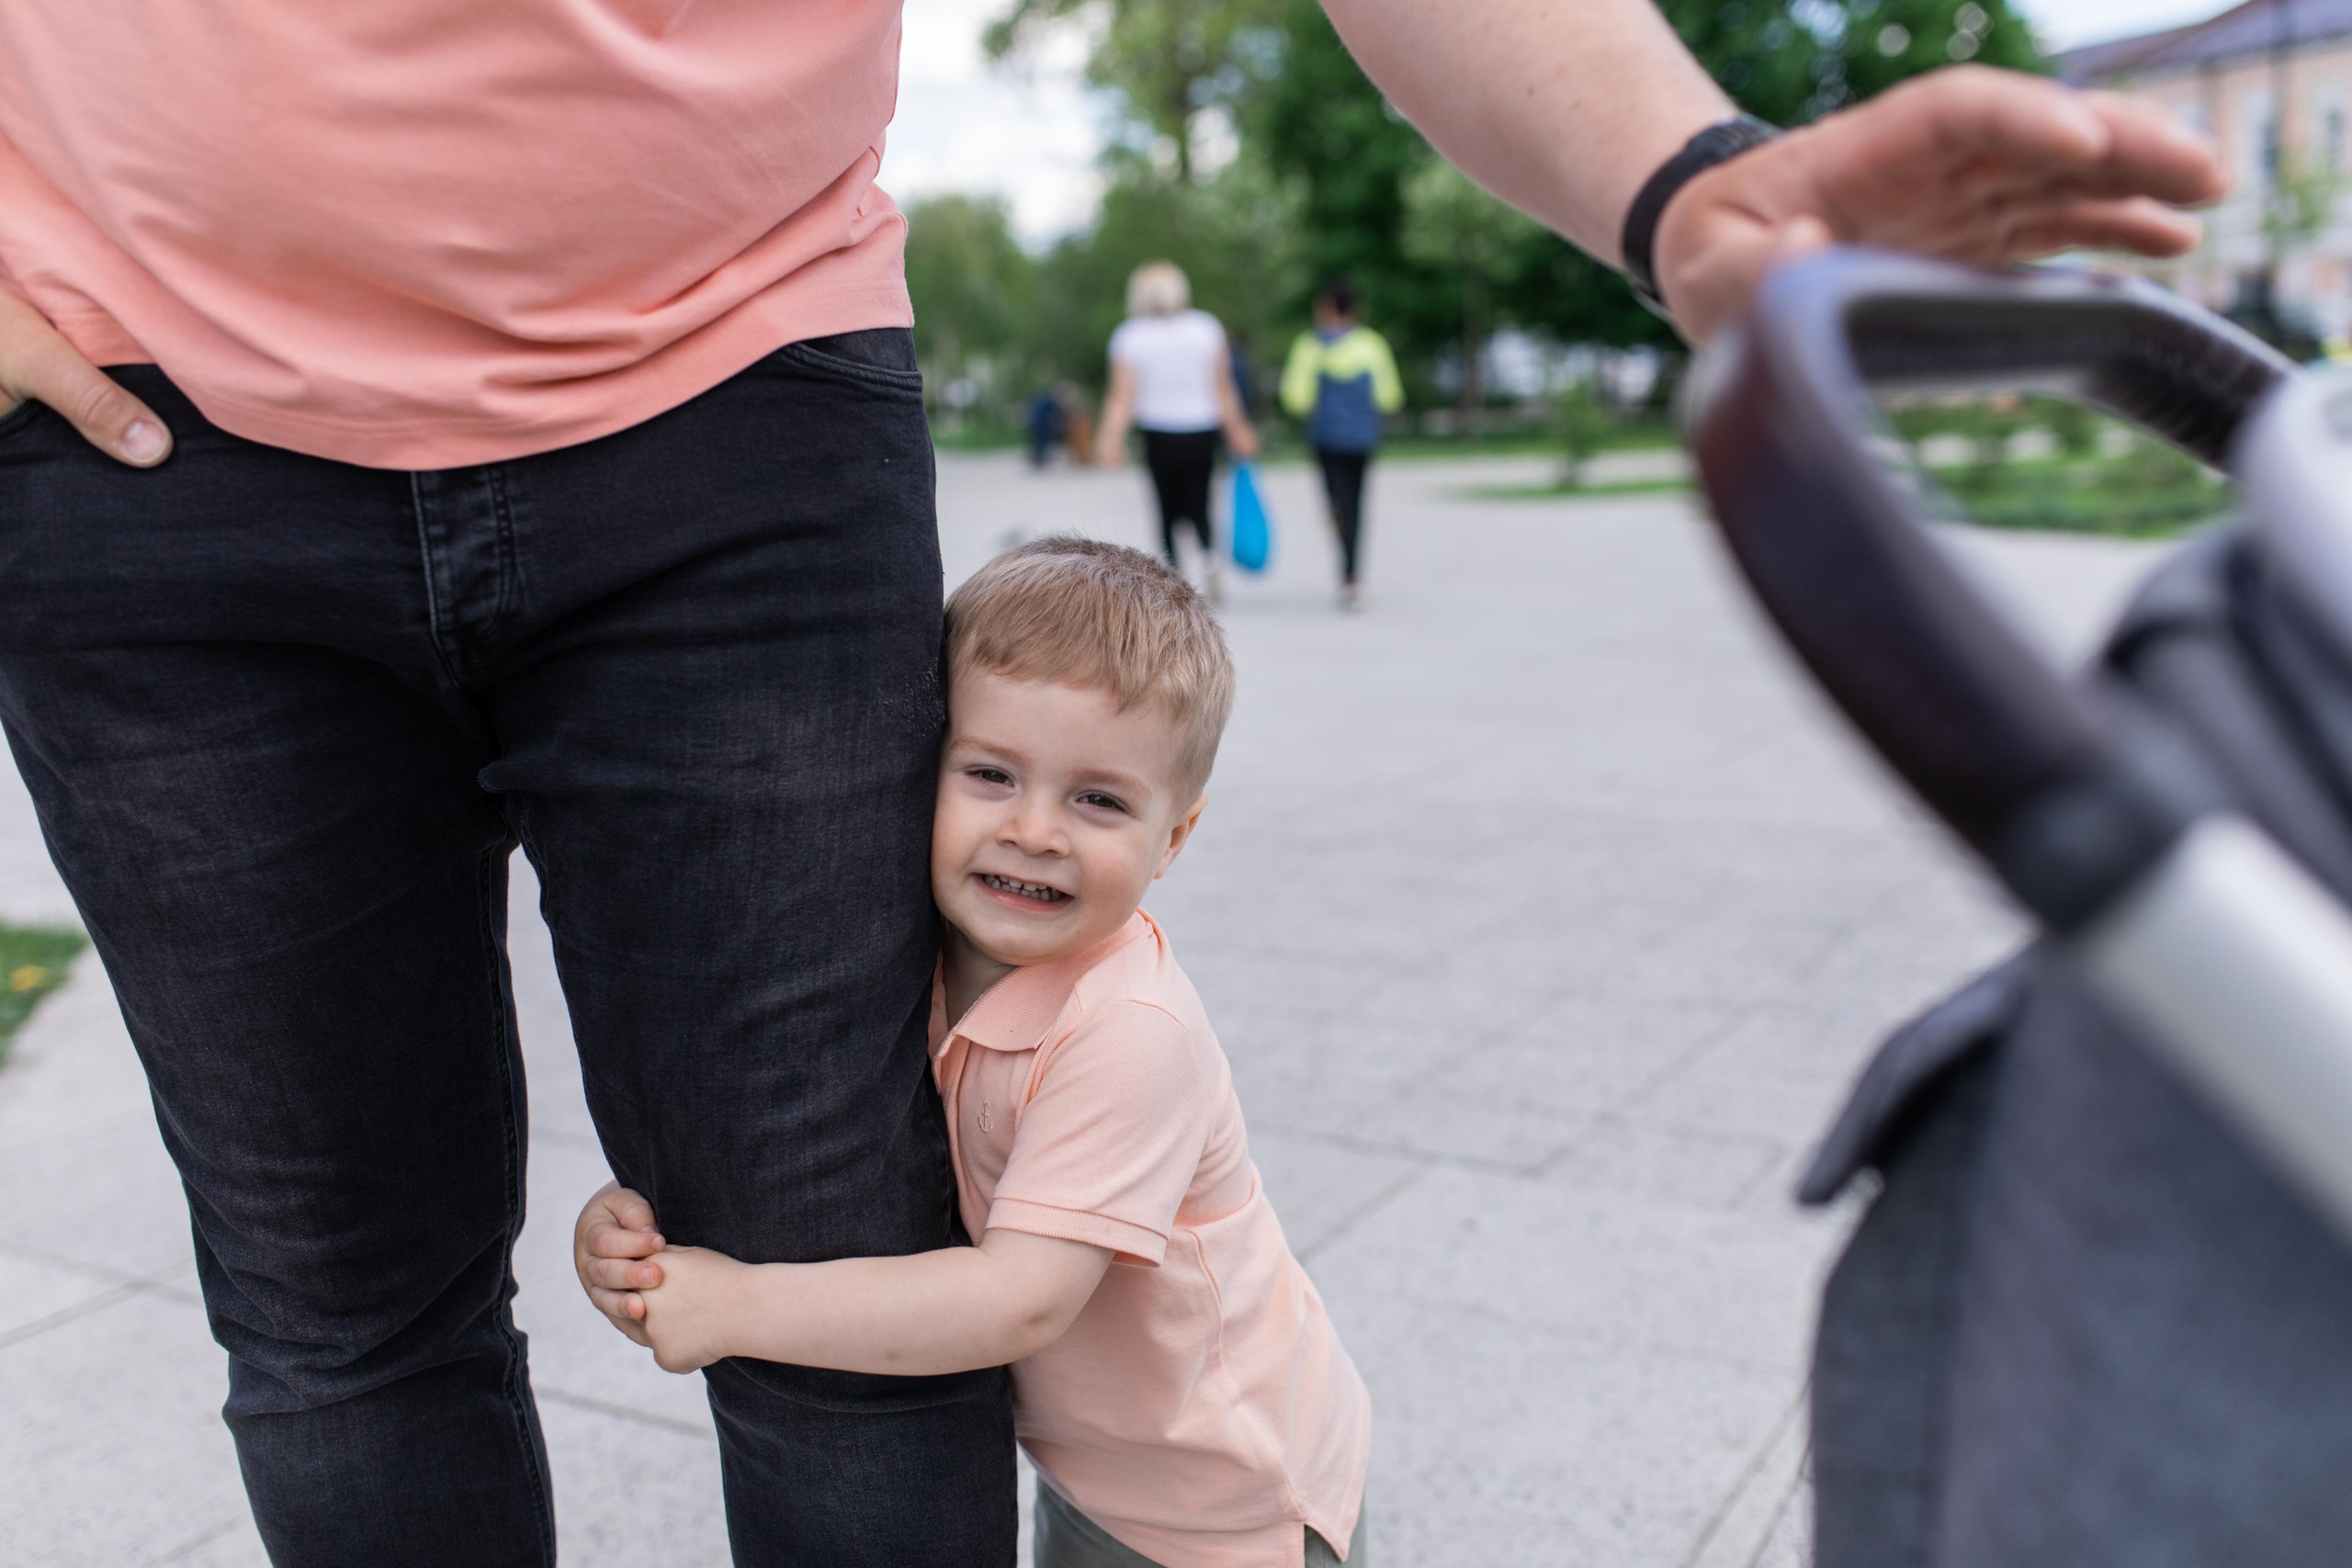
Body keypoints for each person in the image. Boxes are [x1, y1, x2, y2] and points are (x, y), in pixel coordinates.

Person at [0, 0, 2227, 1553]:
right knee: (334, 1301)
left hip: (726, 409)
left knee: (834, 1263)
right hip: (134, 447)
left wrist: (1683, 184)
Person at [577, 539, 1370, 1568]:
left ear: (1175, 836)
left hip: (1229, 1503)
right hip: (1101, 1473)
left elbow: (1018, 1297)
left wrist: (733, 1304)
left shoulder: (1131, 1033)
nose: (1034, 831)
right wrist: (643, 1218)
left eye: (1098, 800)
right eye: (991, 774)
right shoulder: (906, 956)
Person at [1095, 261, 1260, 602]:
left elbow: (1121, 398)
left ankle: (1174, 580)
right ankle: (1209, 557)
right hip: (1201, 430)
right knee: (1201, 502)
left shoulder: (1130, 336)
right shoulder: (1205, 328)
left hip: (1158, 433)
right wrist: (1239, 430)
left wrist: (1110, 439)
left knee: (1166, 507)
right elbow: (1224, 389)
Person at [1281, 282, 1403, 611]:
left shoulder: (1310, 346)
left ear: (1326, 308)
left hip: (1327, 440)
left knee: (1335, 503)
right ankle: (1353, 574)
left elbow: (1296, 399)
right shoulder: (1372, 345)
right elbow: (1389, 397)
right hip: (1362, 440)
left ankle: (1344, 562)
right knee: (1357, 503)